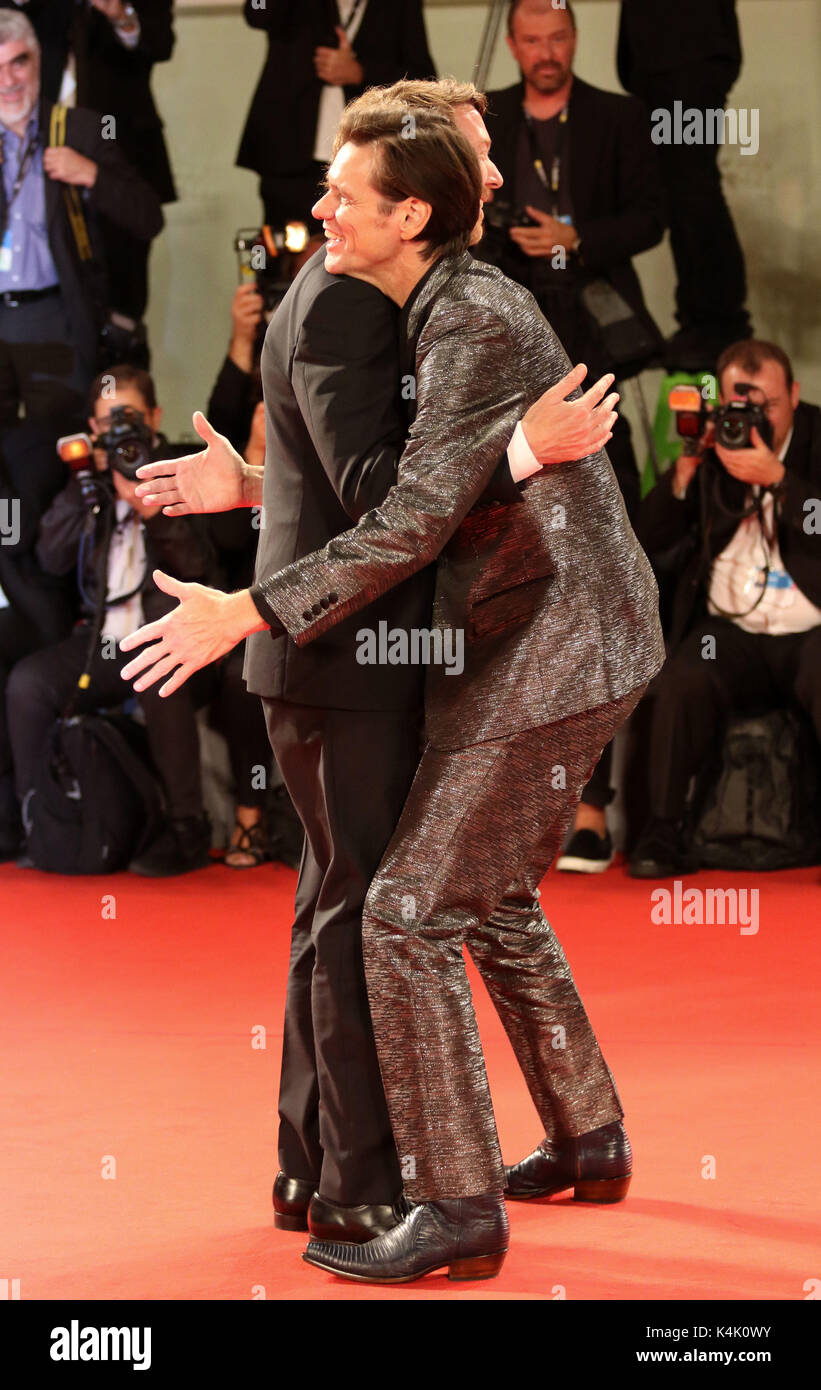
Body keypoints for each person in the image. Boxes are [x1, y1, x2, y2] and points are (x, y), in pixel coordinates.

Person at [119, 93, 664, 1283]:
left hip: (549, 645)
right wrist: (258, 489)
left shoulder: (464, 312)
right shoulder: (432, 300)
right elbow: (409, 486)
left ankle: (459, 1210)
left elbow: (414, 514)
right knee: (488, 895)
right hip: (537, 635)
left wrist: (249, 606)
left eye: (340, 194)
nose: (313, 211)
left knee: (406, 915)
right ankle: (590, 1134)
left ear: (410, 213)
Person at [479, 0, 666, 873]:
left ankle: (591, 801)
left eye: (557, 38)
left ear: (574, 41)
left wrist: (574, 238)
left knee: (601, 570)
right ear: (513, 45)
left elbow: (653, 216)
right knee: (502, 580)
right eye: (531, 40)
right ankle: (498, 805)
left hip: (594, 371)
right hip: (500, 374)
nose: (545, 53)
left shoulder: (619, 117)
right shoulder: (481, 123)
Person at [6, 365, 218, 876]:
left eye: (129, 419)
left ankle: (187, 829)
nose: (119, 433)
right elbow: (52, 559)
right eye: (107, 423)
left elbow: (202, 572)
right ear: (93, 430)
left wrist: (151, 511)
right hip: (101, 644)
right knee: (27, 684)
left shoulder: (181, 474)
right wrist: (89, 489)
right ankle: (44, 817)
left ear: (155, 419)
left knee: (158, 672)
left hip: (171, 637)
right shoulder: (88, 484)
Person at [629, 340, 821, 879]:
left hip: (809, 631)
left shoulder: (817, 439)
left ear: (795, 397)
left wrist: (780, 482)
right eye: (740, 407)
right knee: (681, 677)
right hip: (728, 633)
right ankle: (663, 832)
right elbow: (644, 539)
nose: (752, 420)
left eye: (767, 407)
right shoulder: (713, 447)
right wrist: (687, 469)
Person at [0, 11, 163, 428]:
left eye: (18, 62)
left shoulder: (80, 130)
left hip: (54, 317)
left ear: (38, 61)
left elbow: (148, 217)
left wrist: (91, 174)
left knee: (58, 449)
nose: (8, 81)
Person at [0, 1, 177, 322]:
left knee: (122, 303)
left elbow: (160, 43)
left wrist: (121, 15)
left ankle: (118, 359)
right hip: (26, 138)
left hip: (117, 147)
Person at [618, 0, 752, 370]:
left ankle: (717, 321)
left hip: (686, 50)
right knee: (681, 189)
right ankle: (704, 318)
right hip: (663, 54)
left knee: (692, 185)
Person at [237, 0, 436, 229]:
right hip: (290, 153)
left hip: (368, 156)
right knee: (284, 250)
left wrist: (360, 72)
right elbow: (256, 12)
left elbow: (422, 78)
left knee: (360, 243)